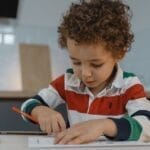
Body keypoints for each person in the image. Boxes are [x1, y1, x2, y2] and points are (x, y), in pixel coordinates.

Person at [21, 0, 150, 144]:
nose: (85, 74)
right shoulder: (68, 81)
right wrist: (39, 110)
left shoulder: (129, 85)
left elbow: (147, 125)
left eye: (96, 64)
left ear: (118, 54)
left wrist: (104, 125)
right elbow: (28, 105)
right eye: (76, 62)